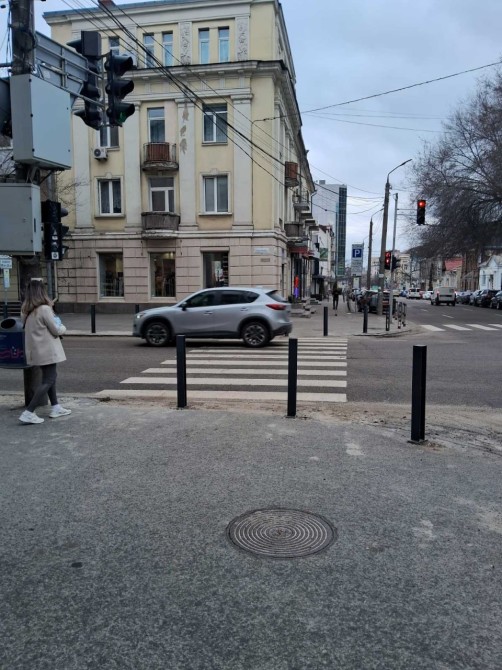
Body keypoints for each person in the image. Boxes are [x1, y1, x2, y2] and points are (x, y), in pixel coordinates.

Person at [19, 279, 71, 425]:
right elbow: (55, 330)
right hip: (47, 350)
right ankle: (29, 412)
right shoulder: (44, 309)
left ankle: (56, 407)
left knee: (50, 378)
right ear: (41, 292)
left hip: (36, 351)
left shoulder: (25, 310)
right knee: (49, 379)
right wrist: (63, 328)